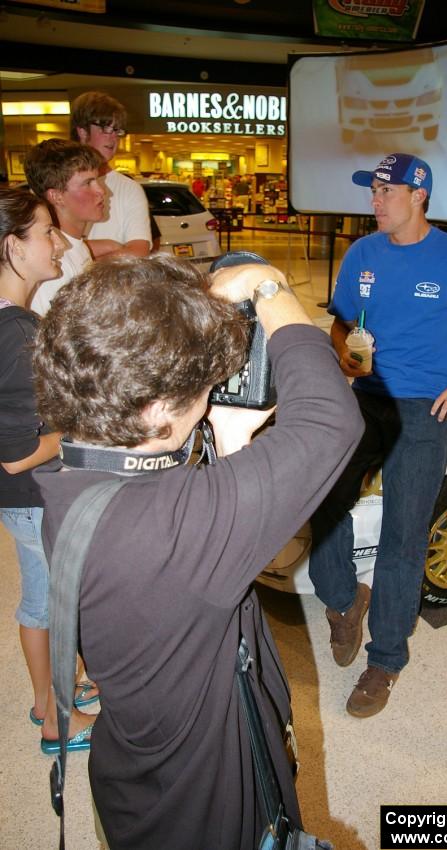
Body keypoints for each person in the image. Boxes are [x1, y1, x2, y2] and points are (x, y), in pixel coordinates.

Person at [32, 253, 363, 849]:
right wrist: (269, 282)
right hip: (207, 806)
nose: (209, 403)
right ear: (156, 410)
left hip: (139, 779)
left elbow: (197, 569)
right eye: (203, 392)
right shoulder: (177, 529)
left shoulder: (72, 479)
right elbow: (328, 421)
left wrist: (233, 445)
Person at [308, 153, 447, 718]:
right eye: (372, 191)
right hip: (367, 397)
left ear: (418, 196)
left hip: (426, 409)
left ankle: (384, 661)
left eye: (385, 191)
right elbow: (341, 318)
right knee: (324, 507)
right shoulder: (363, 252)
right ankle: (341, 603)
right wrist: (345, 350)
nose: (374, 201)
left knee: (402, 540)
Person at [0, 187, 95, 753]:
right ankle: (53, 714)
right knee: (48, 600)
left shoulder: (18, 323)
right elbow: (15, 450)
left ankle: (61, 686)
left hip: (28, 495)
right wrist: (87, 427)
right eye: (46, 233)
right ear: (13, 247)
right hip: (32, 492)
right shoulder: (15, 335)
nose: (59, 243)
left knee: (53, 595)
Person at [24, 139, 105, 315]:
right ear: (57, 196)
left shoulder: (75, 246)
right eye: (88, 183)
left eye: (97, 180)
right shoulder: (53, 262)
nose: (101, 191)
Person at [70, 91, 152, 258]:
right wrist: (110, 246)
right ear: (83, 132)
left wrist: (82, 260)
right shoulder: (55, 182)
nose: (113, 137)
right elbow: (52, 247)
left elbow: (138, 251)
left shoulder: (129, 189)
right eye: (105, 128)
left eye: (117, 130)